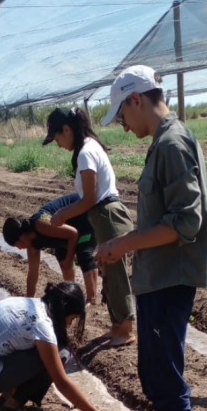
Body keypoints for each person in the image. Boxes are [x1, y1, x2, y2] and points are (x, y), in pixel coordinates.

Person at [96, 66, 207, 411]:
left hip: (169, 276)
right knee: (154, 365)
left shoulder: (172, 143)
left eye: (122, 116)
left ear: (135, 99)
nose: (123, 126)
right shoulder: (165, 140)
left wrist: (119, 244)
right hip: (157, 275)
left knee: (162, 367)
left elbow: (185, 222)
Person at [0, 281, 116, 411]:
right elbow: (61, 382)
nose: (69, 324)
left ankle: (8, 395)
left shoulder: (27, 303)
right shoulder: (41, 325)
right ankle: (12, 405)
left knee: (47, 352)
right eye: (72, 319)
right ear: (63, 311)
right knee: (62, 354)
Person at [41, 106, 136, 346]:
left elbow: (89, 199)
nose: (58, 144)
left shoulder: (85, 153)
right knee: (109, 271)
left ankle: (125, 330)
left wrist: (61, 215)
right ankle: (117, 326)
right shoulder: (90, 147)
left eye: (58, 138)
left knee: (115, 275)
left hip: (107, 215)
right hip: (104, 216)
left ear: (67, 129)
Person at [2, 193, 98, 303]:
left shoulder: (41, 223)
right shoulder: (31, 244)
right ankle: (72, 296)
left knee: (84, 253)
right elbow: (32, 276)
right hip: (66, 231)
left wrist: (70, 259)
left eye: (17, 243)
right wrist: (28, 302)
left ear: (22, 235)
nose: (19, 248)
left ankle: (91, 299)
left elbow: (73, 234)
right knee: (62, 255)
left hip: (85, 214)